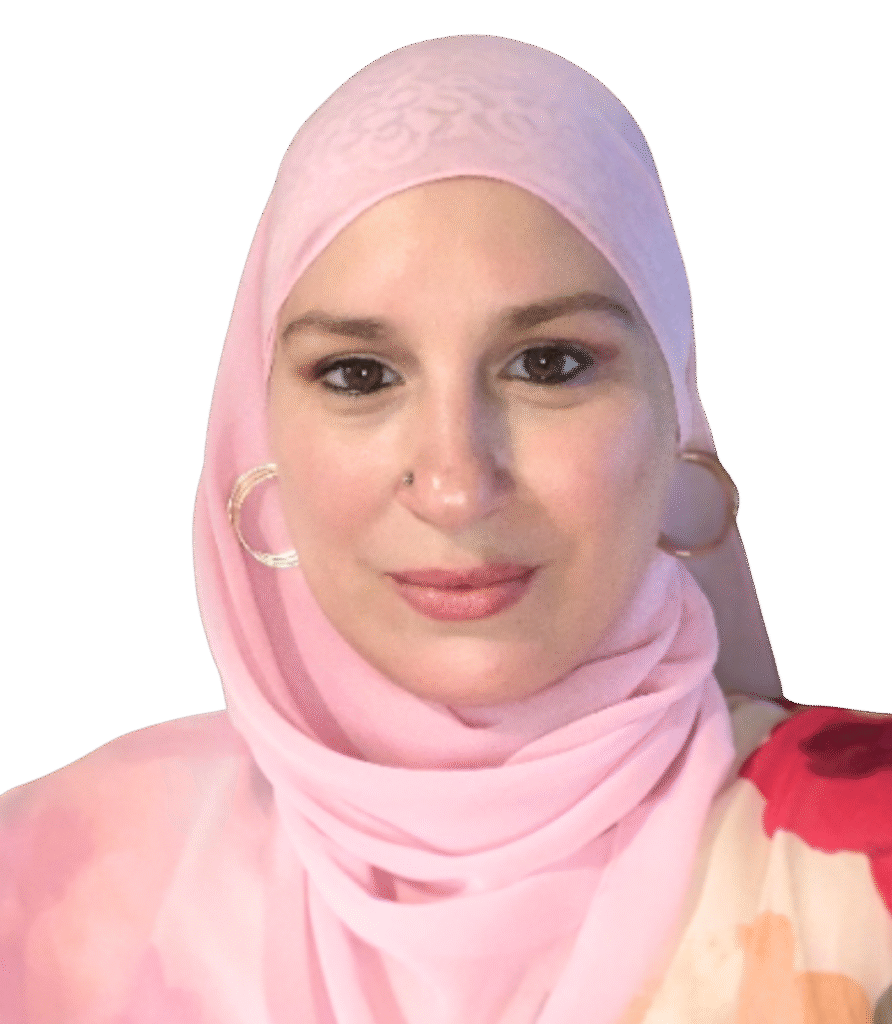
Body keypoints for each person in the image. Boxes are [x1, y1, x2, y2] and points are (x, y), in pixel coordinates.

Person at [1, 35, 890, 1024]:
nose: (456, 487)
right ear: (258, 429)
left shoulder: (865, 870)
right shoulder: (42, 886)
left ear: (670, 409)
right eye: (359, 375)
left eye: (548, 364)